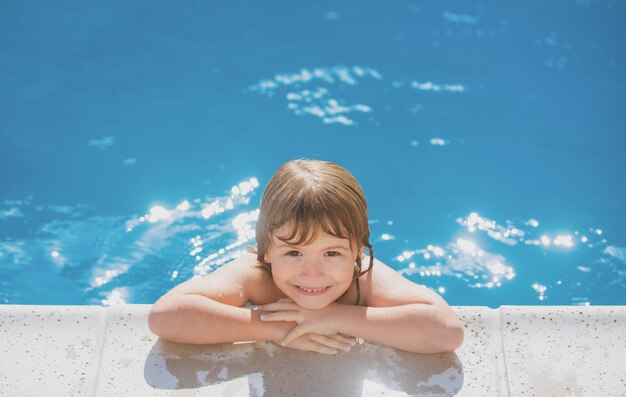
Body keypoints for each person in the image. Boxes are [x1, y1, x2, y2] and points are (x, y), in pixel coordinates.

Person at [148, 159, 463, 355]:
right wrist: (275, 328)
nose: (312, 273)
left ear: (357, 250)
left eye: (332, 253)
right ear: (267, 249)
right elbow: (166, 317)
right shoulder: (257, 275)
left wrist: (333, 317)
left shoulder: (363, 278)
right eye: (294, 252)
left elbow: (445, 331)